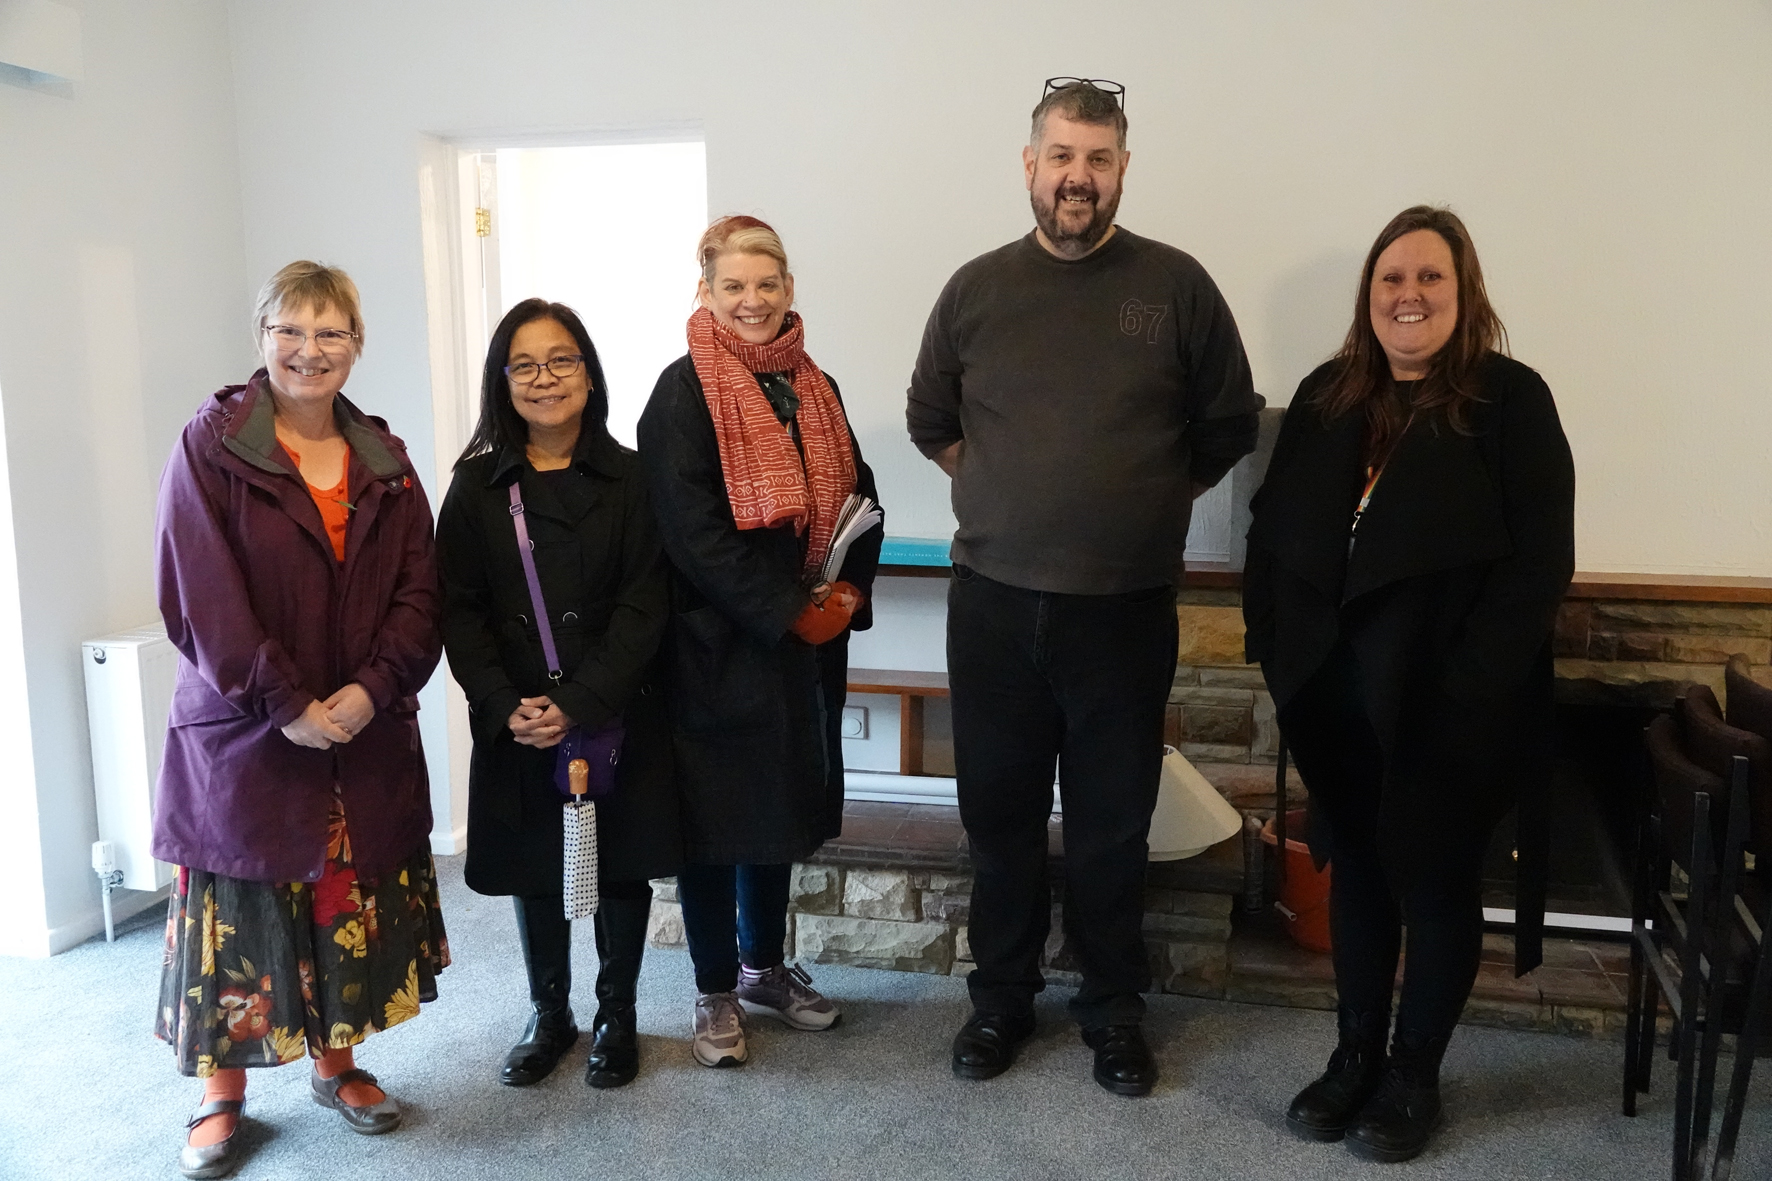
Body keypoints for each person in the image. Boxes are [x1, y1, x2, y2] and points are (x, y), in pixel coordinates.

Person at [906, 79, 1263, 1095]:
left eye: (1097, 159)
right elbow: (930, 413)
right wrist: (997, 486)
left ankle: (1111, 1009)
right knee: (1001, 820)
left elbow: (1226, 424)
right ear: (1029, 164)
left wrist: (1151, 493)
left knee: (1111, 826)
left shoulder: (1177, 286)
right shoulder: (975, 289)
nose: (1077, 177)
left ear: (1121, 170)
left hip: (1122, 609)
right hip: (992, 605)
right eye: (1060, 156)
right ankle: (1001, 1000)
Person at [1243, 205, 1575, 1162]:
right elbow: (1273, 532)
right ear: (1369, 297)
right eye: (1392, 279)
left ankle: (1413, 1072)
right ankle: (1354, 1053)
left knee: (1432, 886)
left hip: (1450, 706)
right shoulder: (1326, 396)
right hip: (1333, 697)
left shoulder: (1511, 401)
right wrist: (1276, 649)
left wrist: (1469, 692)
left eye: (1430, 277)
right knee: (1358, 876)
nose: (1409, 295)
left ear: (1463, 293)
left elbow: (1536, 566)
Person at [152, 261, 447, 1179]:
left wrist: (370, 689)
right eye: (291, 329)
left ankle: (339, 1065)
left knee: (339, 895)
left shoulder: (388, 464)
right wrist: (284, 703)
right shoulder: (211, 445)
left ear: (357, 347)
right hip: (247, 731)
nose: (309, 350)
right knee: (241, 909)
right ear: (262, 337)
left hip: (358, 730)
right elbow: (203, 592)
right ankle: (221, 1096)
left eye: (330, 333)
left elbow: (418, 594)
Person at [638, 215, 882, 1069]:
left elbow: (865, 494)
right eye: (733, 286)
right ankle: (712, 988)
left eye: (766, 284)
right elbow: (692, 534)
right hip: (716, 649)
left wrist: (849, 591)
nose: (752, 301)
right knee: (714, 825)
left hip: (803, 647)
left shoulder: (817, 385)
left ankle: (764, 967)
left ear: (789, 290)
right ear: (705, 291)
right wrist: (786, 609)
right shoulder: (681, 393)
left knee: (776, 815)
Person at [437, 299, 682, 1090]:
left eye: (562, 360)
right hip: (517, 718)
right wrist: (506, 703)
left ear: (588, 371)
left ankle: (618, 1015)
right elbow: (458, 608)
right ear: (502, 380)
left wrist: (579, 699)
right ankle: (550, 1013)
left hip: (612, 711)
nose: (545, 379)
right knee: (537, 866)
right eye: (525, 364)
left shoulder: (632, 475)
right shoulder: (475, 486)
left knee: (619, 869)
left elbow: (648, 603)